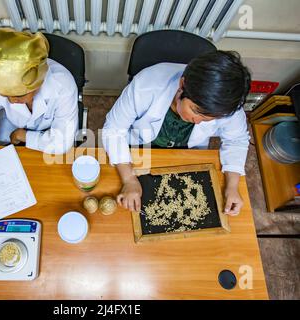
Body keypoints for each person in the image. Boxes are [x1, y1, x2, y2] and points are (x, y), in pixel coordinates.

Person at [102, 50, 251, 216]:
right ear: (182, 86)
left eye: (210, 118)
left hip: (186, 153)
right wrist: (129, 179)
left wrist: (232, 186)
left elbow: (237, 140)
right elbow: (114, 129)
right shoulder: (147, 84)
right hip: (140, 148)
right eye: (196, 111)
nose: (199, 121)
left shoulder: (227, 105)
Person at [0, 28, 78, 173]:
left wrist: (24, 135)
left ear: (39, 82)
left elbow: (62, 142)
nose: (12, 101)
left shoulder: (63, 85)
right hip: (11, 122)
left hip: (51, 128)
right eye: (5, 95)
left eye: (19, 95)